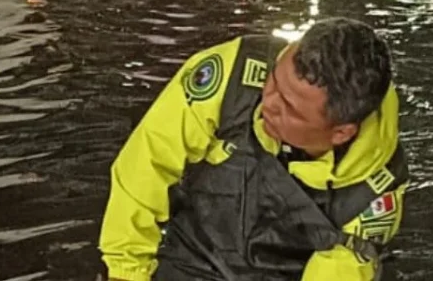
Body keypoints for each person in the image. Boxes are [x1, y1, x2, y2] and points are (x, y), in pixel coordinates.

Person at [99, 18, 408, 281]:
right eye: (275, 81)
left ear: (341, 133)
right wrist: (125, 272)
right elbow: (145, 166)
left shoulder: (373, 199)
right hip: (189, 253)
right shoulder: (231, 74)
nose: (268, 103)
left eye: (290, 108)